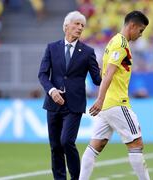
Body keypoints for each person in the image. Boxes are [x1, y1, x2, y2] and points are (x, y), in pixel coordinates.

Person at [79, 10, 150, 180]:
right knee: (136, 144)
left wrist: (102, 101)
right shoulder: (121, 44)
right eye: (140, 30)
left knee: (96, 145)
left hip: (107, 105)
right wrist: (100, 98)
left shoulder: (113, 42)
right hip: (117, 103)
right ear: (132, 26)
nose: (140, 35)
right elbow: (109, 73)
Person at [38, 11, 101, 180]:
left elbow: (97, 79)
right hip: (53, 104)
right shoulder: (52, 48)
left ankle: (77, 178)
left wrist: (111, 69)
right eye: (77, 24)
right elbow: (42, 75)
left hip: (74, 104)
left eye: (82, 25)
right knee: (55, 146)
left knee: (67, 141)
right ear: (66, 26)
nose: (80, 27)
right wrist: (51, 91)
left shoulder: (88, 52)